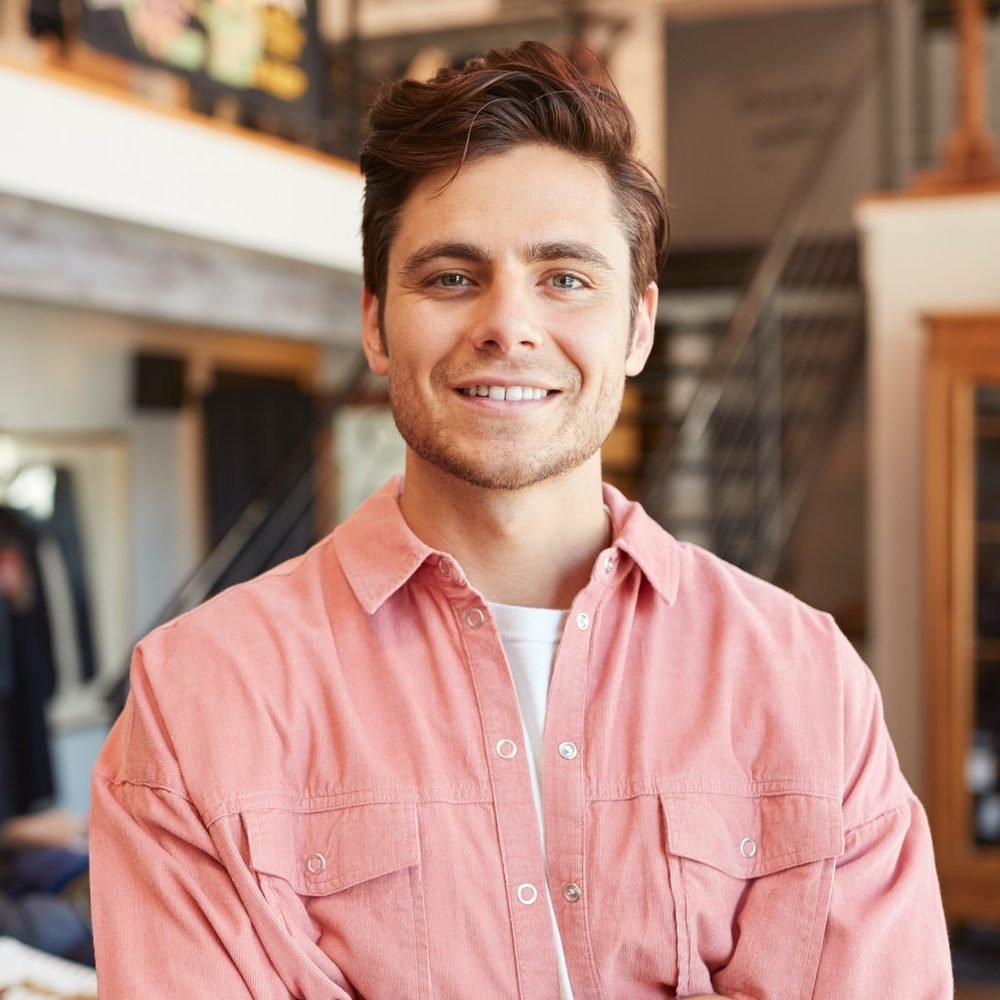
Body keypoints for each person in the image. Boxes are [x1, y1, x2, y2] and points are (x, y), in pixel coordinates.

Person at [89, 41, 952, 999]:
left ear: (638, 328)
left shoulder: (807, 683)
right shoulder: (199, 698)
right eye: (452, 277)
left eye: (567, 277)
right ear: (376, 324)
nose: (509, 324)